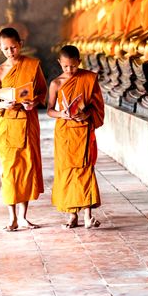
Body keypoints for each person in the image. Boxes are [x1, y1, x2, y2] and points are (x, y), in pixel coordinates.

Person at [0, 27, 47, 231]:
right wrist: (4, 104)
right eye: (5, 49)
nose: (10, 52)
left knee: (27, 169)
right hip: (8, 126)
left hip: (28, 121)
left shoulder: (32, 65)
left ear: (20, 44)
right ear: (0, 48)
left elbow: (42, 92)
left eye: (13, 47)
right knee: (10, 171)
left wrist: (34, 102)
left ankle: (23, 217)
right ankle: (12, 218)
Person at [47, 45, 105, 229]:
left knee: (85, 170)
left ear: (79, 62)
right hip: (64, 132)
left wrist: (86, 114)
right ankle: (72, 215)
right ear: (59, 63)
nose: (69, 70)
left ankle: (88, 216)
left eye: (72, 66)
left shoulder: (88, 78)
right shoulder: (56, 83)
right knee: (67, 172)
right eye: (65, 67)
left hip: (83, 130)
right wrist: (62, 114)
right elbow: (49, 110)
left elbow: (97, 106)